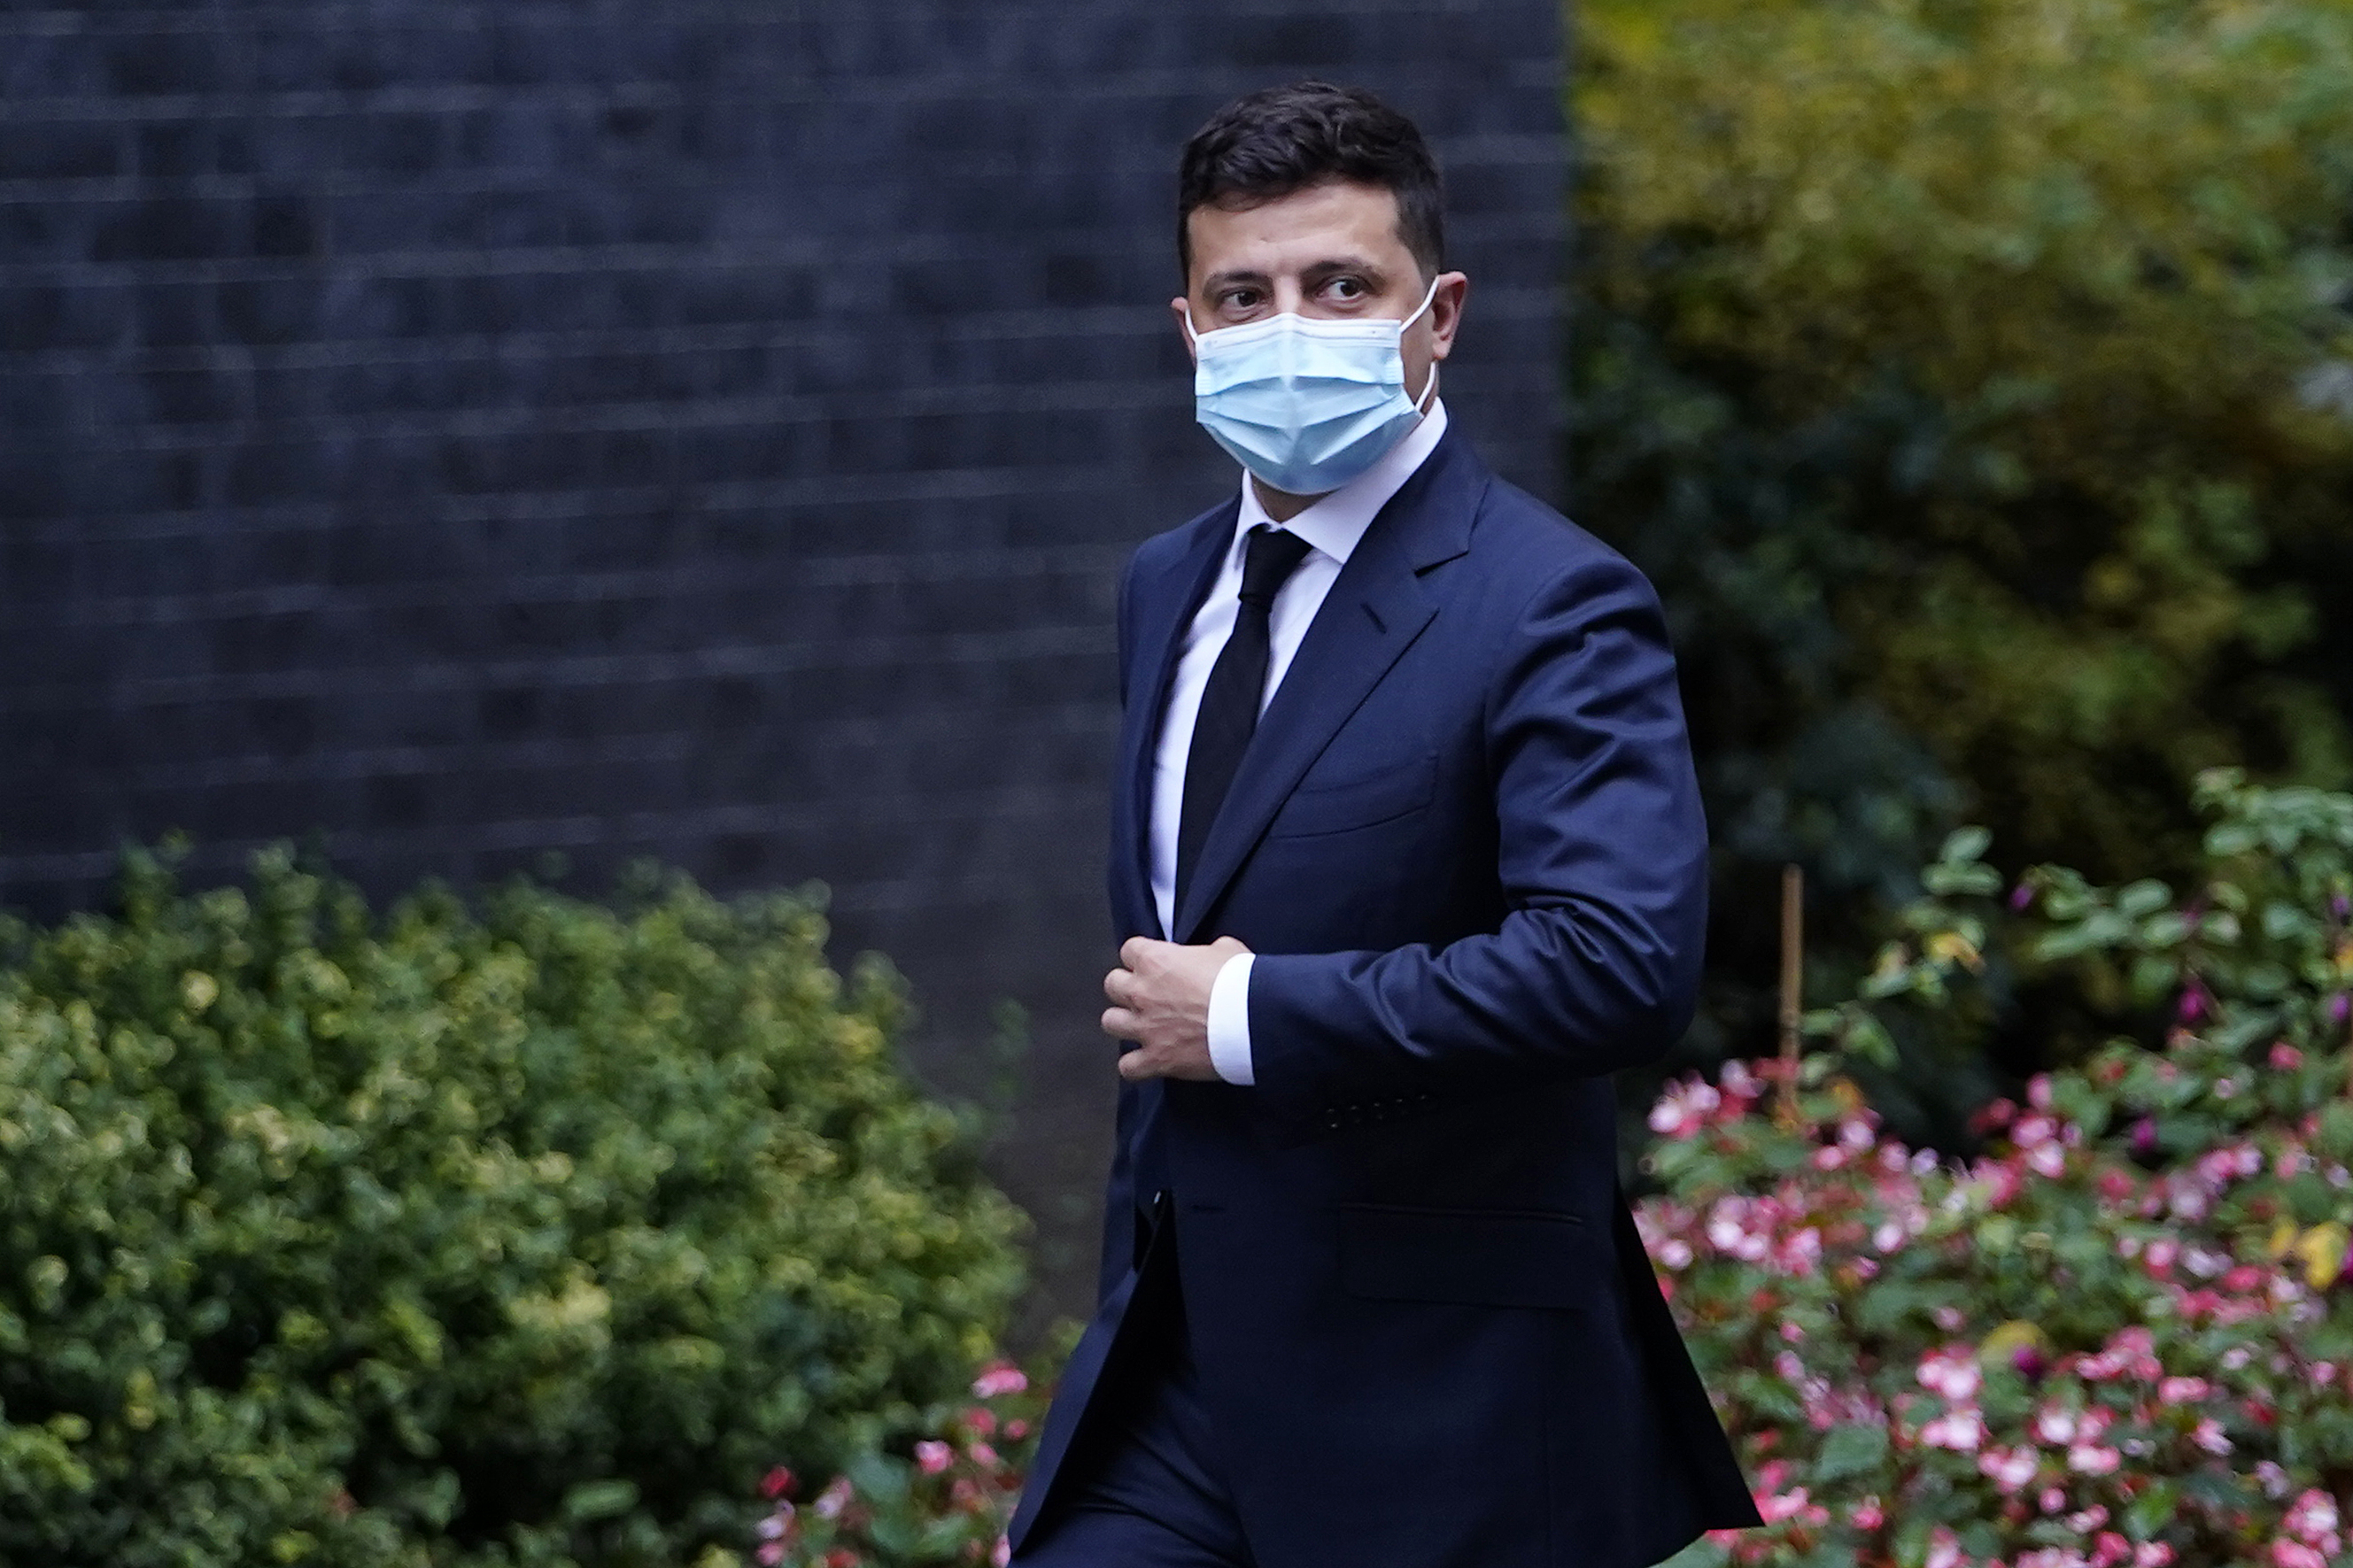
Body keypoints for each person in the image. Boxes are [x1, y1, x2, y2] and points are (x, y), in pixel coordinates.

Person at [1006, 81, 1763, 1568]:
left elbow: (1615, 963)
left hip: (1438, 1414)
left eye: (1341, 285)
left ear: (1440, 315)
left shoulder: (1551, 601)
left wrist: (1250, 1016)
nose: (1290, 326)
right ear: (1190, 332)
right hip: (1171, 1387)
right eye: (1245, 294)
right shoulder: (1166, 585)